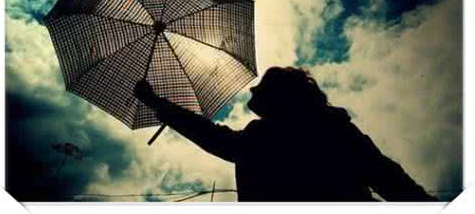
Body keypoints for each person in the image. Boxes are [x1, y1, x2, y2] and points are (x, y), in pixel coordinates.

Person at [134, 66, 437, 202]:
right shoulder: (334, 127)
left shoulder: (262, 137)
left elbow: (210, 136)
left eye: (263, 86)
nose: (254, 91)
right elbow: (386, 175)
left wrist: (155, 102)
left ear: (281, 98)